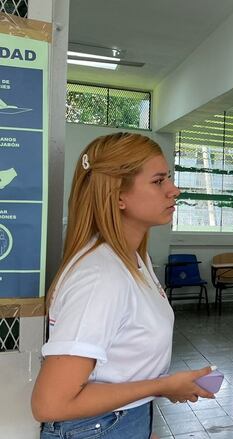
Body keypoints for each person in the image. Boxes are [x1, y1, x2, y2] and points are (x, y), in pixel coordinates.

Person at [31, 133, 216, 438]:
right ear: (118, 196)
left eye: (168, 178)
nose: (174, 189)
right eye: (158, 181)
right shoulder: (100, 276)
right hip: (98, 427)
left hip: (122, 421)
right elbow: (51, 403)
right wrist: (162, 386)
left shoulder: (134, 259)